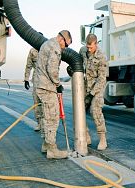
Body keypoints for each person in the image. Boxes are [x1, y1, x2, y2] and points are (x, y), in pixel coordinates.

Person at [33, 30, 72, 159]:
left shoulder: (46, 44)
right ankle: (52, 150)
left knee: (45, 116)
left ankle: (45, 144)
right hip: (47, 87)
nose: (65, 48)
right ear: (62, 39)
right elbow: (52, 69)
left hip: (40, 85)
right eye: (66, 45)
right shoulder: (55, 48)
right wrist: (57, 84)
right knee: (52, 118)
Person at [79, 34, 107, 151]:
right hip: (86, 85)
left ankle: (103, 139)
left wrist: (91, 95)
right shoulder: (83, 51)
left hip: (97, 87)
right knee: (80, 109)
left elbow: (102, 79)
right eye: (87, 47)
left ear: (96, 43)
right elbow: (77, 62)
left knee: (95, 110)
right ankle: (86, 136)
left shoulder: (101, 57)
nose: (89, 49)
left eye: (91, 47)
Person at [24, 35, 42, 131]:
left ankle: (47, 124)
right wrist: (26, 79)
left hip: (47, 77)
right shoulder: (32, 51)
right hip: (36, 78)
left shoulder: (47, 48)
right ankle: (39, 123)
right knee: (36, 101)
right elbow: (29, 65)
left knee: (46, 103)